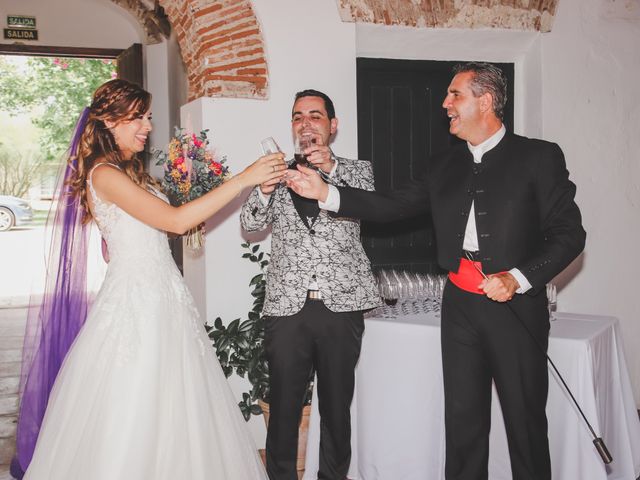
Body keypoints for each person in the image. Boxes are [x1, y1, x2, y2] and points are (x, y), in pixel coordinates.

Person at [287, 63, 586, 480]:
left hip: (517, 309)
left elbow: (570, 235)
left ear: (485, 101)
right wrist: (327, 193)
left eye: (454, 95)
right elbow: (389, 206)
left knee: (525, 423)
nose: (444, 103)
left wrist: (517, 277)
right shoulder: (442, 165)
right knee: (462, 423)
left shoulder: (538, 156)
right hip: (460, 306)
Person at [13, 78, 286, 480]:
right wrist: (243, 179)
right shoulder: (104, 174)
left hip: (165, 299)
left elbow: (147, 231)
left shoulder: (130, 173)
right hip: (137, 307)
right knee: (133, 408)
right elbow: (175, 220)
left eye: (148, 117)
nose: (146, 125)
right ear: (108, 121)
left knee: (177, 410)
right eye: (136, 117)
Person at [240, 89, 381, 480]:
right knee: (284, 407)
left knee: (336, 408)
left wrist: (331, 168)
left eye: (315, 116)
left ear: (332, 126)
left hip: (341, 306)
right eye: (298, 116)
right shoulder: (275, 172)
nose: (306, 123)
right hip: (288, 309)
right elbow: (250, 226)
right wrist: (266, 187)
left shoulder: (356, 170)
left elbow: (370, 202)